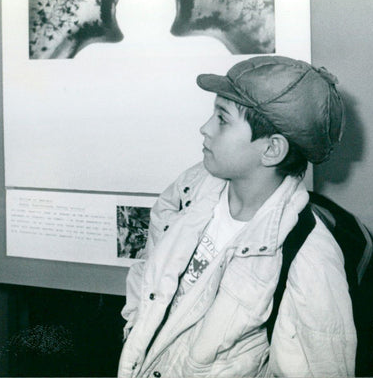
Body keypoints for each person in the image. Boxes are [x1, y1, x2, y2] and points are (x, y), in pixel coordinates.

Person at [118, 55, 356, 377]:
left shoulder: (310, 261)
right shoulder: (191, 187)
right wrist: (135, 328)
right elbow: (149, 270)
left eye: (222, 119)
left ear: (272, 149)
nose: (204, 128)